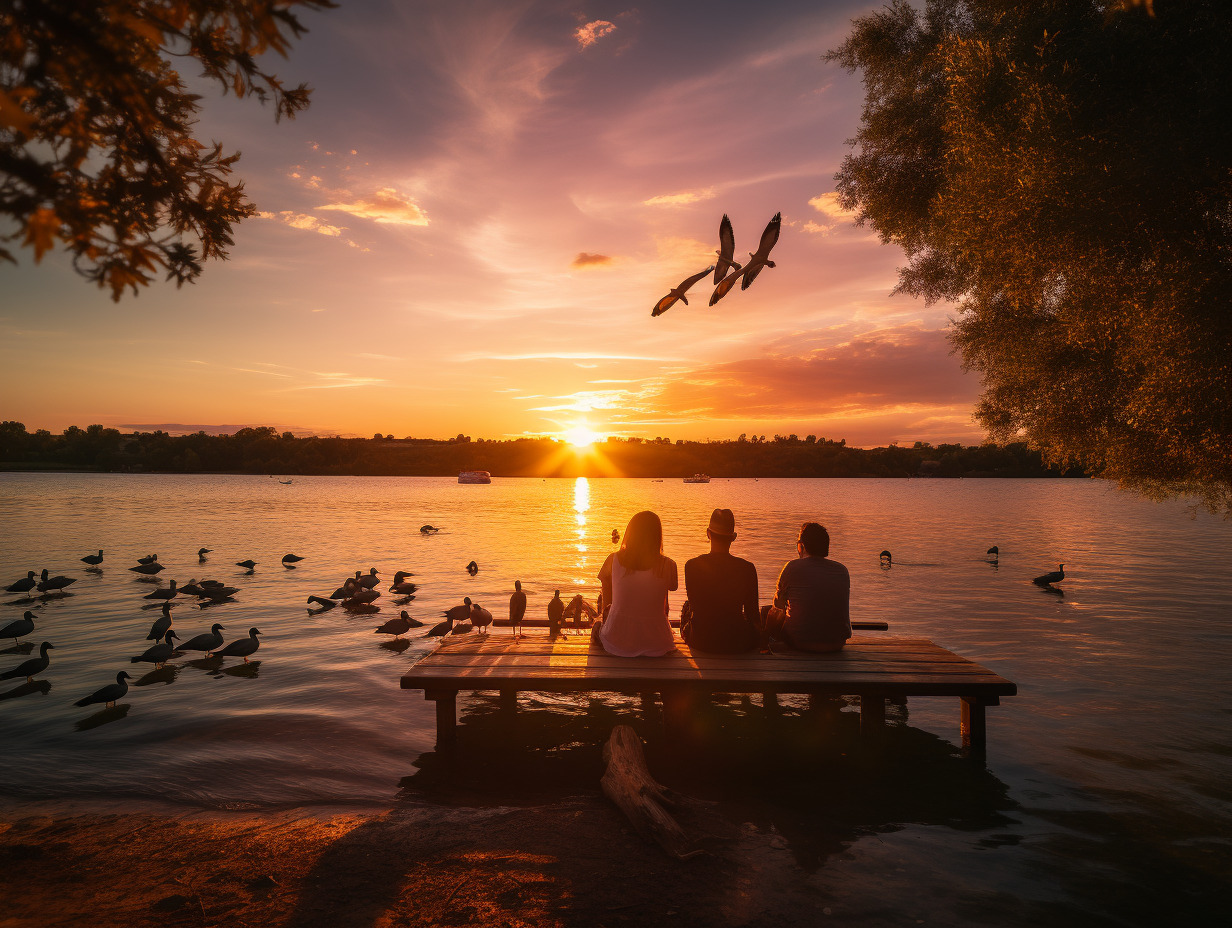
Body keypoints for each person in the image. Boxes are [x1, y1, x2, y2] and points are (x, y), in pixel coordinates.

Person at [593, 510, 678, 656]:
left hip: (617, 640)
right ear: (657, 537)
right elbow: (671, 588)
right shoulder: (669, 565)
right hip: (659, 642)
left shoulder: (613, 560)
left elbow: (606, 600)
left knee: (596, 626)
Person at [762, 522, 850, 652]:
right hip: (836, 643)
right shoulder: (841, 570)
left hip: (800, 642)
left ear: (802, 546)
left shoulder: (792, 568)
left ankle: (763, 644)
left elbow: (777, 608)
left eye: (798, 543)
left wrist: (765, 633)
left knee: (766, 611)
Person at [681, 509, 760, 654]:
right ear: (733, 537)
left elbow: (695, 605)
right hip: (736, 642)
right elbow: (752, 613)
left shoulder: (691, 566)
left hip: (701, 641)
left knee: (687, 608)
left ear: (708, 533)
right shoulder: (747, 568)